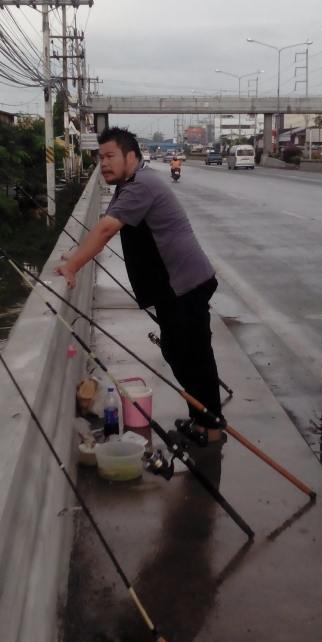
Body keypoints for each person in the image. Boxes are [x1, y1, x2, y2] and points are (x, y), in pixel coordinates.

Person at [55, 127, 225, 445]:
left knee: (194, 357)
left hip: (185, 285)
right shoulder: (128, 185)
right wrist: (74, 253)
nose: (103, 163)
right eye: (100, 157)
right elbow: (105, 224)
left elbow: (106, 229)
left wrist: (73, 265)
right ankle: (200, 422)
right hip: (173, 287)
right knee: (179, 354)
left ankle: (212, 429)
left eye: (110, 156)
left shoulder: (140, 186)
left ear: (131, 156)